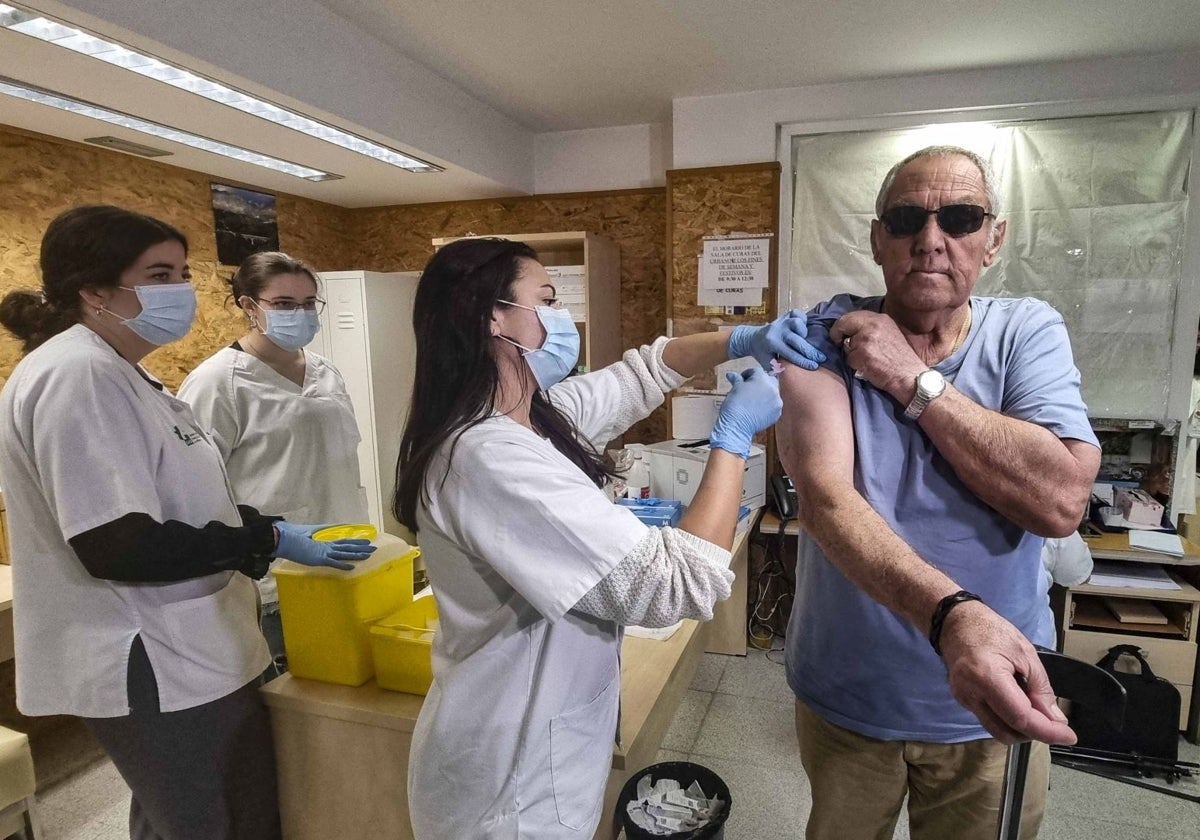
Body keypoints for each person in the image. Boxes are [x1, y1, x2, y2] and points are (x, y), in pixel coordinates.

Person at [396, 237, 823, 838]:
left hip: (544, 741)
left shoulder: (530, 415)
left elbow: (641, 375)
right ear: (492, 315)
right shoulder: (485, 455)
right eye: (545, 300)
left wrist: (742, 339)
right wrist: (732, 438)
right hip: (509, 783)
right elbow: (675, 583)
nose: (559, 318)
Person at [0, 205, 375, 840]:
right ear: (93, 290)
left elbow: (187, 502)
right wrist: (270, 539)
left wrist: (263, 524)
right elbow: (117, 545)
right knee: (215, 819)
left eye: (180, 273)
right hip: (149, 651)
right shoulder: (78, 375)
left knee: (190, 810)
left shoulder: (128, 375)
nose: (181, 291)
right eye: (159, 274)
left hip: (197, 637)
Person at [775, 146, 1102, 840]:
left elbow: (1059, 502)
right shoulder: (823, 334)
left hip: (991, 701)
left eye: (959, 218)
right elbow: (827, 502)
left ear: (993, 239)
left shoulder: (1025, 331)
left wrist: (910, 379)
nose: (931, 240)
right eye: (906, 219)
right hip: (849, 697)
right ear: (876, 237)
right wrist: (952, 616)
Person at [178, 251, 369, 680]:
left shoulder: (325, 372)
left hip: (343, 553)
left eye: (307, 303)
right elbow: (194, 489)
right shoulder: (218, 383)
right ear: (249, 306)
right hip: (274, 580)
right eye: (284, 304)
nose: (299, 314)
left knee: (345, 693)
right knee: (290, 699)